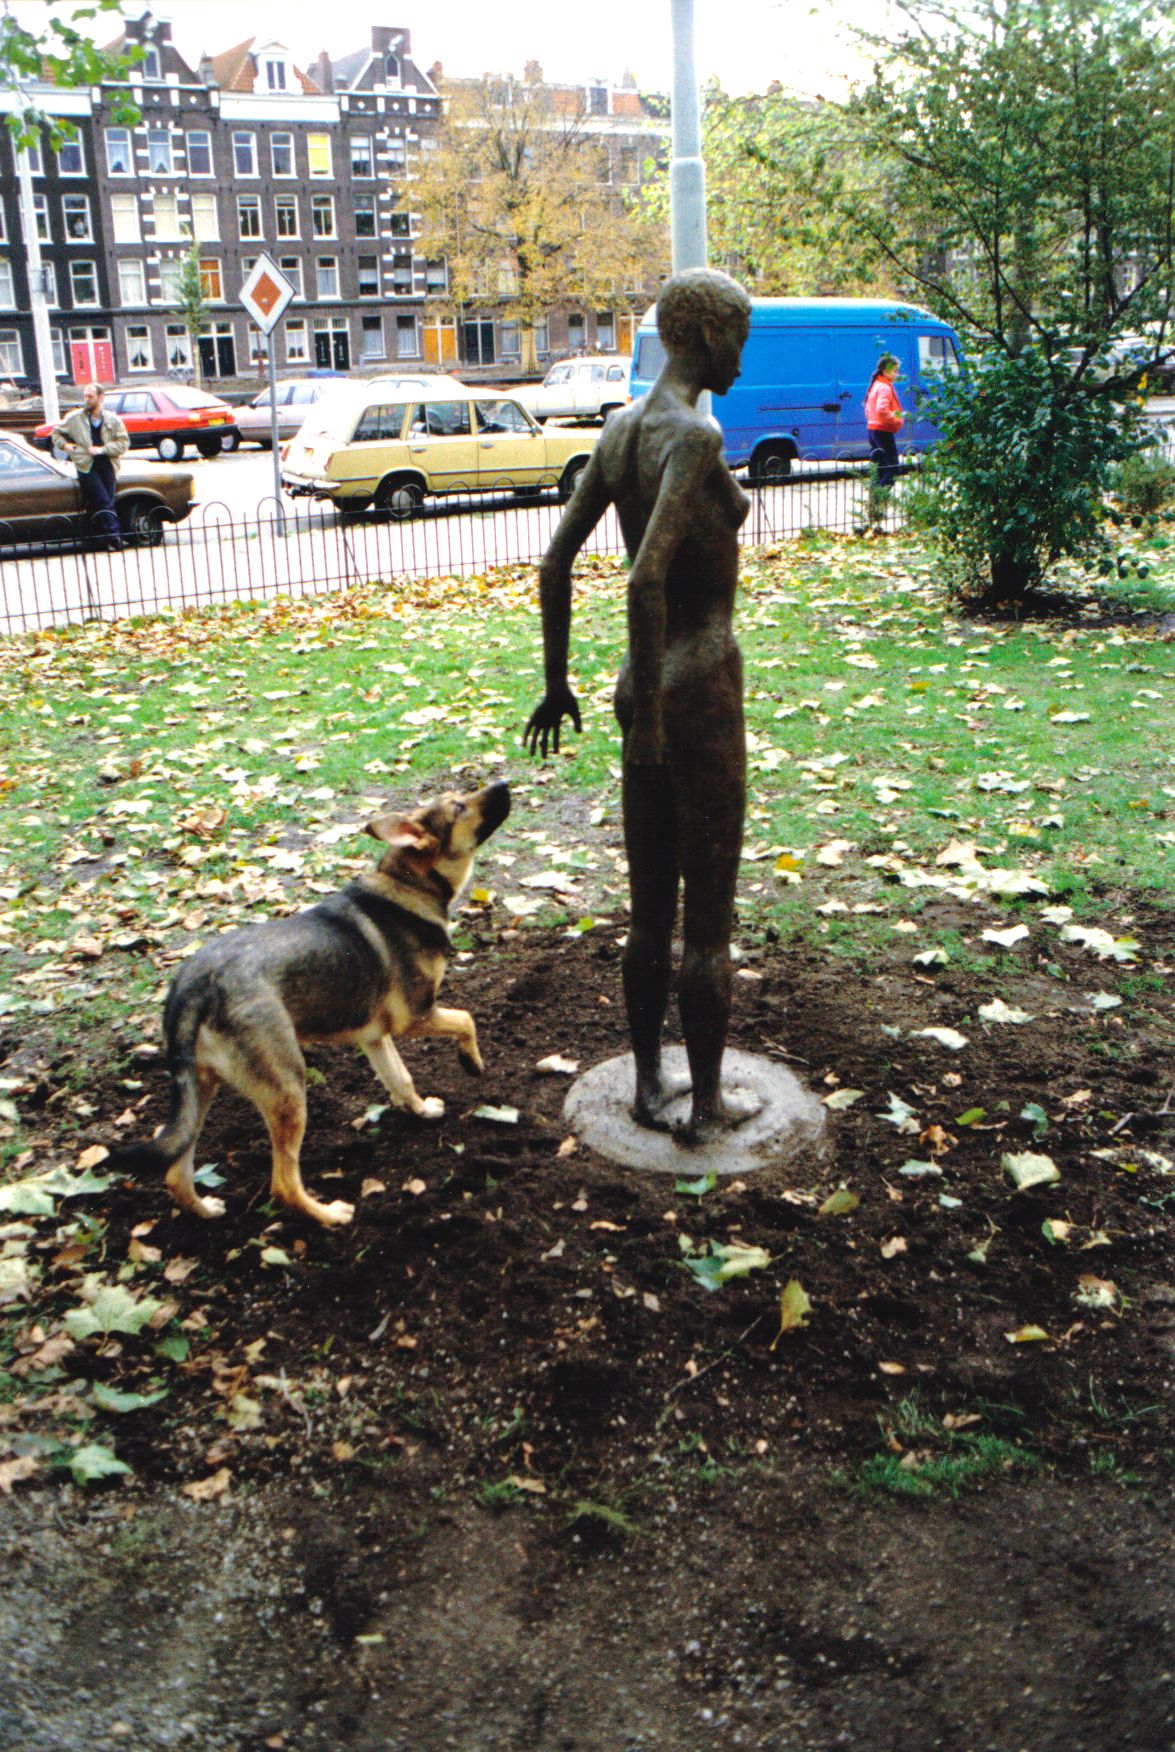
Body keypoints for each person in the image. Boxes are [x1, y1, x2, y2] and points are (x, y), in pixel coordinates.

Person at [524, 266, 761, 1143]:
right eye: (740, 333)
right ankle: (702, 1107)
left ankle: (645, 1084)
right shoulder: (690, 441)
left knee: (647, 906)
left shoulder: (623, 432)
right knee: (706, 916)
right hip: (695, 688)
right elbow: (646, 576)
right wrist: (661, 718)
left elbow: (554, 566)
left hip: (638, 693)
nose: (744, 351)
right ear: (705, 334)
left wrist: (560, 683)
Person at [52, 382, 129, 550]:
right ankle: (114, 538)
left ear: (100, 398)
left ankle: (100, 540)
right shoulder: (75, 418)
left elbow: (123, 443)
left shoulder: (113, 420)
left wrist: (102, 449)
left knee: (105, 501)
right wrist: (66, 446)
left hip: (107, 462)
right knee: (103, 500)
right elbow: (56, 433)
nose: (86, 399)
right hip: (86, 465)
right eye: (85, 396)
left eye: (90, 396)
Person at [864, 353, 905, 489]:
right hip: (883, 431)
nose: (897, 374)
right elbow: (881, 409)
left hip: (873, 430)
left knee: (879, 470)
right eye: (895, 371)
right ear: (885, 371)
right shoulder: (885, 387)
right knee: (893, 470)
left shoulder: (876, 384)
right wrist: (896, 420)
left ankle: (874, 505)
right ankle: (879, 500)